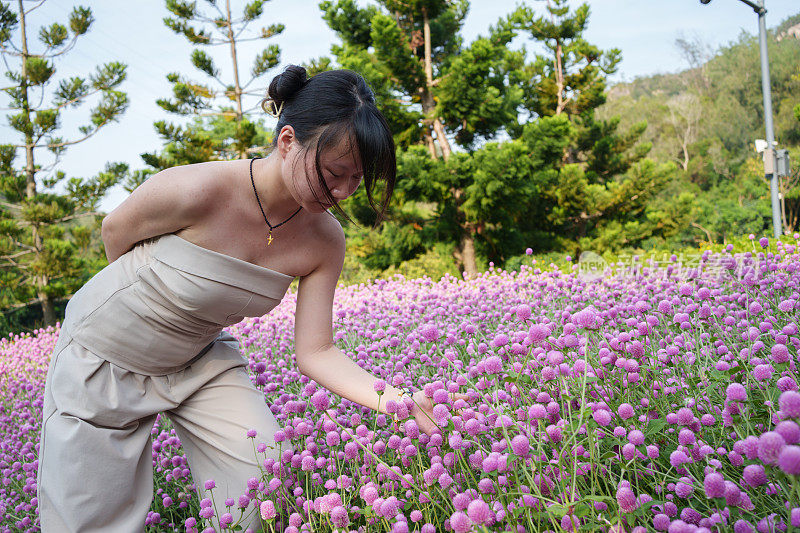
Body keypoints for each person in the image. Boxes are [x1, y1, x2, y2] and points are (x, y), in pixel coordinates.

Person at [36, 65, 448, 532]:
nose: (341, 193)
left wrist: (395, 401)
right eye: (334, 173)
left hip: (198, 357)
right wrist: (146, 312)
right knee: (88, 517)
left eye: (355, 181)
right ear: (288, 140)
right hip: (103, 354)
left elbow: (317, 351)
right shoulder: (199, 189)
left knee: (263, 468)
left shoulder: (324, 240)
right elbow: (117, 236)